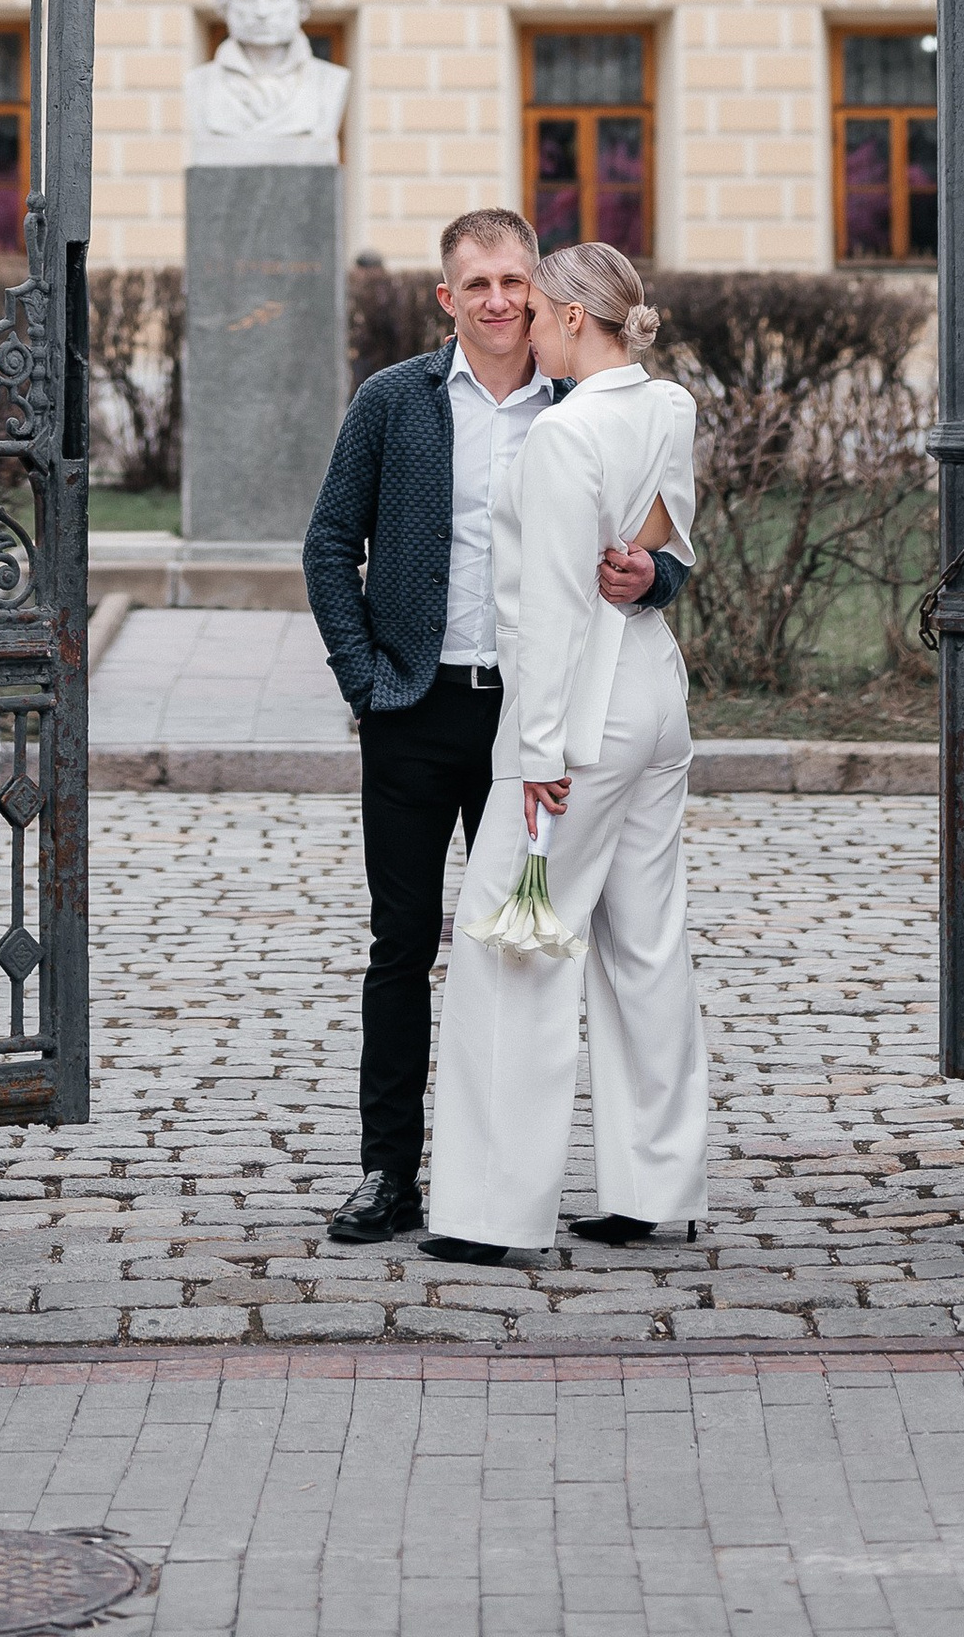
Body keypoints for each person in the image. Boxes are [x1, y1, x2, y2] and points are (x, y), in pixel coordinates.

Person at [301, 207, 691, 1248]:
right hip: (418, 707)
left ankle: (523, 1189)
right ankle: (389, 1174)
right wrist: (366, 679)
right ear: (447, 297)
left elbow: (665, 538)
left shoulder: (583, 401)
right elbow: (330, 543)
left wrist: (657, 575)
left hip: (540, 725)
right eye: (477, 283)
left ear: (546, 296)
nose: (499, 299)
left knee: (529, 944)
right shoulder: (396, 401)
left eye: (516, 279)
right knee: (400, 944)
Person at [420, 236, 709, 1263]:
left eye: (536, 311)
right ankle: (655, 1186)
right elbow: (670, 545)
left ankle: (490, 1212)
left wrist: (534, 751)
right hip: (655, 699)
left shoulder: (558, 435)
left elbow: (545, 613)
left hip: (576, 718)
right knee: (644, 942)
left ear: (573, 318)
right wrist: (645, 567)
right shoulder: (666, 406)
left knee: (510, 948)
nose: (525, 326)